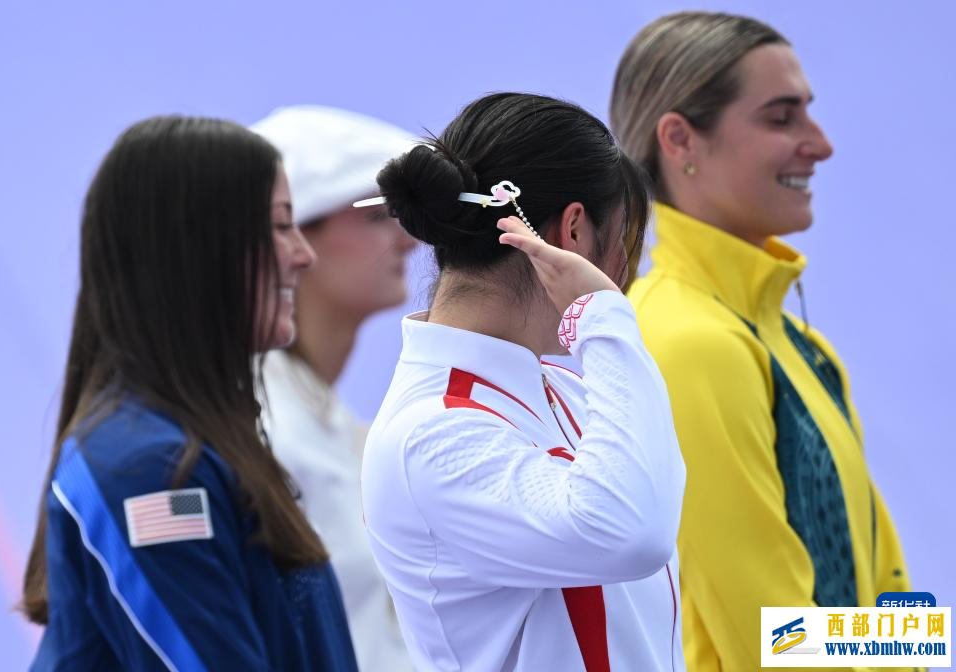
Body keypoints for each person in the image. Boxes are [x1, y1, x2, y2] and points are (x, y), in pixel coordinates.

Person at [610, 11, 913, 671]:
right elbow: (775, 640)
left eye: (809, 112)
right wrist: (909, 644)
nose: (821, 143)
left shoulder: (800, 344)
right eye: (782, 118)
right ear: (680, 139)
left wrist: (921, 644)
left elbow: (886, 591)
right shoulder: (686, 341)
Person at [360, 92, 687, 671]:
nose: (626, 277)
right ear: (575, 233)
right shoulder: (432, 433)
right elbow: (628, 533)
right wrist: (603, 316)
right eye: (626, 245)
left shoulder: (565, 385)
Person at [20, 116, 358, 671]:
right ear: (195, 249)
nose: (303, 254)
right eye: (279, 227)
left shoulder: (188, 449)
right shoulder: (147, 469)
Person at [250, 105, 416, 672]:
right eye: (378, 216)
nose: (409, 241)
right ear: (293, 238)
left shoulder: (331, 425)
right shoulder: (261, 427)